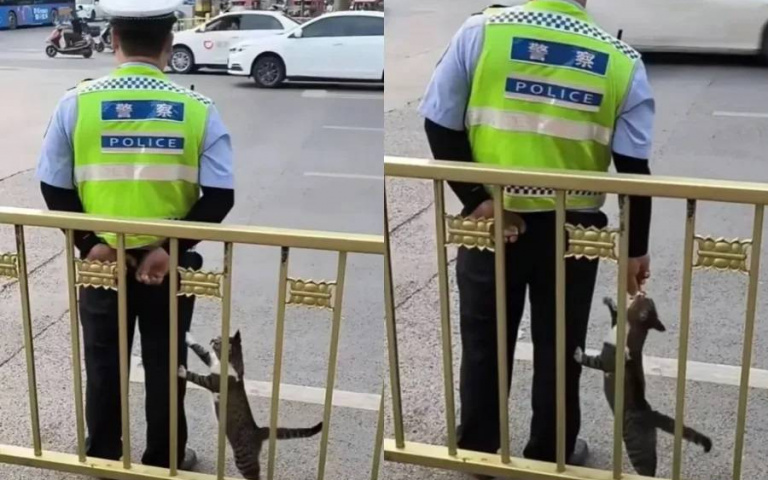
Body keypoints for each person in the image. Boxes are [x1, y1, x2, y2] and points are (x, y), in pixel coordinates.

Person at [419, 0, 655, 477]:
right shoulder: (620, 60)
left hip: (493, 223)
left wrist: (476, 199)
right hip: (575, 231)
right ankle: (551, 453)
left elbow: (439, 123)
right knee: (561, 346)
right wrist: (635, 248)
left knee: (485, 341)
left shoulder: (482, 31)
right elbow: (634, 167)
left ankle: (480, 450)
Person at [36, 0, 235, 471]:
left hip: (101, 266)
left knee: (104, 364)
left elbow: (53, 186)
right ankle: (165, 460)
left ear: (114, 41)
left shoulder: (75, 103)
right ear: (169, 43)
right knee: (167, 365)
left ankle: (104, 456)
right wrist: (169, 249)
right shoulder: (198, 109)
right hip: (169, 267)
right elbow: (220, 196)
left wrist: (93, 245)